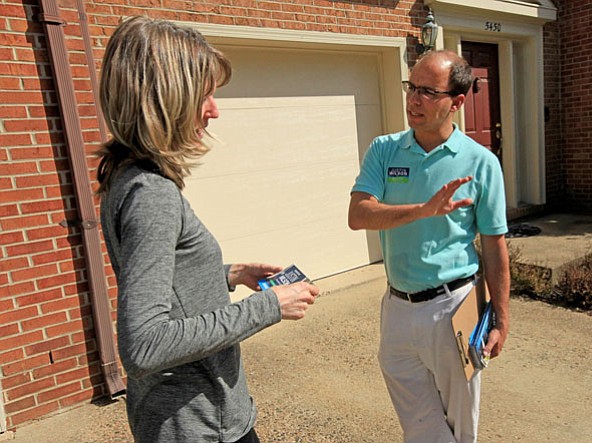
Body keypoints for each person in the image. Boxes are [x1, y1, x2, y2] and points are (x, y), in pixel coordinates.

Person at [96, 16, 319, 443]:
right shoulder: (152, 194)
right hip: (198, 424)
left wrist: (229, 273)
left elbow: (161, 284)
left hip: (184, 419)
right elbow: (144, 345)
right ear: (166, 99)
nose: (215, 109)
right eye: (205, 95)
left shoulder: (127, 176)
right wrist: (270, 306)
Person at [348, 50, 510, 443]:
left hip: (457, 307)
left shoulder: (481, 162)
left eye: (427, 91)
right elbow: (359, 215)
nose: (413, 100)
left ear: (456, 102)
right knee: (418, 424)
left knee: (460, 422)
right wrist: (421, 211)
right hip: (397, 308)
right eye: (411, 87)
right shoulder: (385, 150)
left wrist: (500, 318)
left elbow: (493, 247)